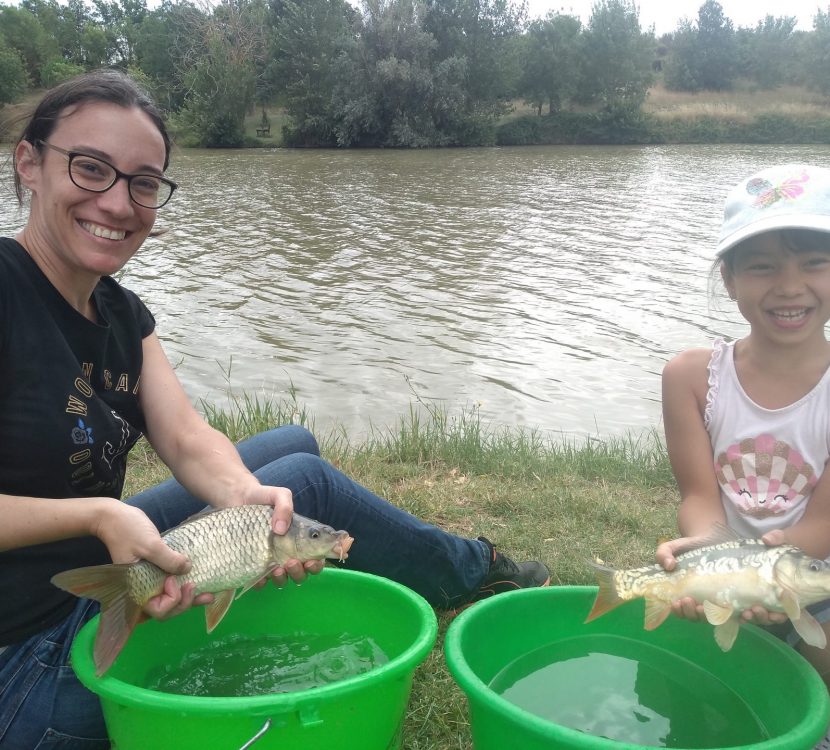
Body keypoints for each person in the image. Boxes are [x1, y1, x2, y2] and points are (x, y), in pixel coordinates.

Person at [0, 69, 550, 750]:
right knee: (311, 483)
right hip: (19, 662)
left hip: (94, 564)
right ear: (29, 163)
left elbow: (186, 434)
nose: (118, 203)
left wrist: (252, 507)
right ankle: (480, 571)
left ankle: (456, 567)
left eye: (142, 182)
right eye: (91, 169)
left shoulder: (118, 310)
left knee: (290, 456)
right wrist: (99, 514)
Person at [656, 163, 830, 743]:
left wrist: (772, 579)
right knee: (673, 685)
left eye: (814, 262)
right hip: (722, 562)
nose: (789, 285)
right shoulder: (691, 377)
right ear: (728, 278)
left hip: (816, 570)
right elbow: (701, 497)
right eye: (762, 266)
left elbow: (824, 520)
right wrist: (710, 557)